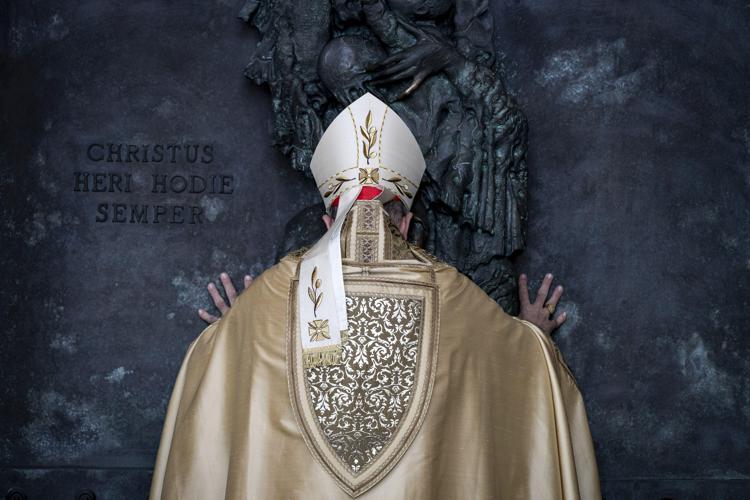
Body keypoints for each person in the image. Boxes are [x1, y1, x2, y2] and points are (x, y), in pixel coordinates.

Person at [149, 93, 600, 499]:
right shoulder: (455, 294)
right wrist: (535, 335)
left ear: (328, 223)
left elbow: (216, 410)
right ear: (405, 224)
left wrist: (235, 335)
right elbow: (519, 368)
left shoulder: (270, 295)